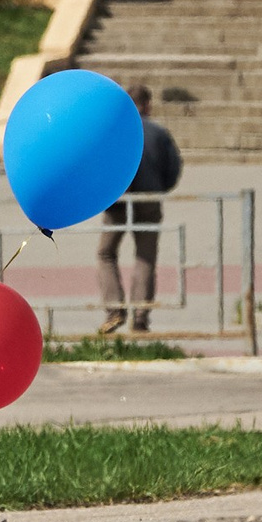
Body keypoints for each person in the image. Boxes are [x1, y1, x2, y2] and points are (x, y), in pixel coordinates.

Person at [98, 83, 182, 335]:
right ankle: (141, 317)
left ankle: (114, 310)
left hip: (118, 203)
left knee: (106, 253)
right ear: (147, 105)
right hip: (149, 201)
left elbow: (100, 166)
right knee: (145, 258)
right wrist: (159, 189)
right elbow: (174, 167)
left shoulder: (114, 132)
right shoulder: (159, 133)